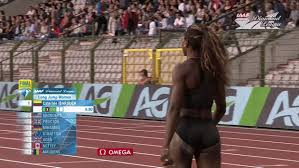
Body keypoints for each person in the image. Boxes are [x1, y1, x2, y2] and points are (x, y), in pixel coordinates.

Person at [160, 24, 228, 168]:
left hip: (185, 128)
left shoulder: (182, 69)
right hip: (209, 131)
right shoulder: (215, 70)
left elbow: (174, 109)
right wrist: (208, 126)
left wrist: (166, 145)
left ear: (186, 43)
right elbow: (221, 108)